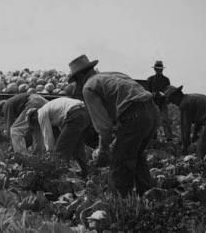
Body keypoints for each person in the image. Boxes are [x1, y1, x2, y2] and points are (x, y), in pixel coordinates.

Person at [67, 54, 158, 196]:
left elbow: (104, 126)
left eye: (75, 81)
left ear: (79, 77)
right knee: (136, 155)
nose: (76, 85)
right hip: (152, 111)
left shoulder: (89, 87)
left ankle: (118, 206)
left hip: (134, 115)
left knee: (120, 164)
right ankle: (147, 196)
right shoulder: (112, 74)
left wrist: (103, 150)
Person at [26, 97, 92, 177]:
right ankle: (86, 174)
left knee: (60, 152)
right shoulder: (52, 110)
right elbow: (64, 132)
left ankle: (58, 179)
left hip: (75, 114)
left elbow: (48, 136)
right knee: (77, 147)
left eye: (35, 123)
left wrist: (49, 155)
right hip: (86, 112)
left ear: (34, 117)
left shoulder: (41, 113)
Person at [164, 85, 206, 158]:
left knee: (201, 148)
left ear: (176, 96)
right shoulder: (190, 98)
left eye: (173, 101)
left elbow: (185, 128)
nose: (174, 103)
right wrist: (194, 136)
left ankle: (202, 166)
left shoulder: (185, 104)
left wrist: (185, 147)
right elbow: (199, 121)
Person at [147, 60, 173, 141]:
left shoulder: (166, 80)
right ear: (155, 69)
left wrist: (163, 94)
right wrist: (154, 94)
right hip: (153, 102)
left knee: (165, 120)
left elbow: (168, 91)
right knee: (153, 120)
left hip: (163, 102)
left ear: (162, 69)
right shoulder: (150, 79)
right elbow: (147, 92)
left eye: (160, 69)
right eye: (157, 69)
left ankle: (169, 138)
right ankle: (153, 138)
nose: (159, 70)